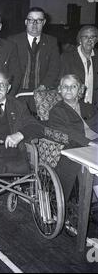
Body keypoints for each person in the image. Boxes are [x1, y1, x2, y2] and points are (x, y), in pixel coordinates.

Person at [48, 74, 98, 204]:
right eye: (65, 86)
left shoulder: (89, 107)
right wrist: (90, 143)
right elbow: (67, 133)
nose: (69, 89)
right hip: (78, 146)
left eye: (73, 86)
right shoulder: (57, 111)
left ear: (80, 90)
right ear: (60, 89)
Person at [9, 7, 60, 94]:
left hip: (42, 92)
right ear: (26, 22)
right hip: (17, 92)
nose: (34, 24)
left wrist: (44, 86)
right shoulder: (13, 41)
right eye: (31, 20)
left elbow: (54, 68)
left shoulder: (52, 42)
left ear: (44, 22)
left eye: (39, 20)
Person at [60, 25, 98, 106]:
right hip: (73, 105)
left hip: (94, 106)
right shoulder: (67, 57)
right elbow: (61, 83)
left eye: (93, 37)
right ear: (80, 39)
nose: (89, 40)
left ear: (96, 40)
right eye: (85, 37)